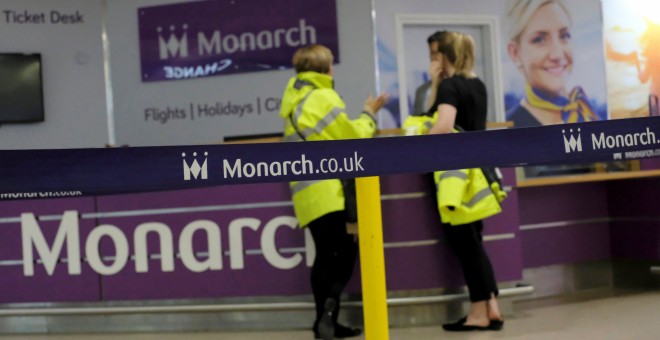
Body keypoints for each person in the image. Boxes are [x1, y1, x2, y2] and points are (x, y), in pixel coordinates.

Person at [279, 44, 387, 340]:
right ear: (325, 68)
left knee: (325, 256)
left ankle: (323, 322)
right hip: (330, 189)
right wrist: (368, 114)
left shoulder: (292, 101)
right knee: (345, 251)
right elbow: (352, 138)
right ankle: (328, 315)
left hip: (305, 194)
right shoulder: (323, 96)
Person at [426, 31, 505, 332]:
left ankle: (478, 313)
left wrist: (418, 143)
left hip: (454, 177)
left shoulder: (450, 86)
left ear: (445, 56)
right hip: (478, 174)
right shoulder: (477, 84)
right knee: (475, 242)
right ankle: (491, 305)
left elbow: (443, 125)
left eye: (436, 55)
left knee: (465, 245)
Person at [505, 0, 599, 128]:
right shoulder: (510, 129)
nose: (557, 55)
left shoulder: (587, 112)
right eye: (539, 39)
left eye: (564, 36)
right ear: (515, 53)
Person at [412, 31, 446, 116]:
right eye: (433, 53)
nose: (437, 57)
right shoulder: (421, 91)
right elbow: (421, 123)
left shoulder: (459, 86)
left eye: (440, 53)